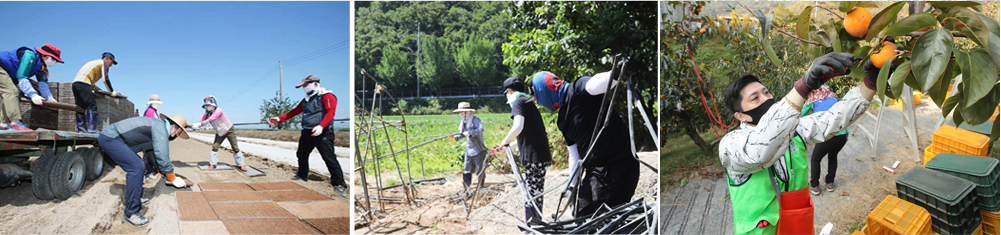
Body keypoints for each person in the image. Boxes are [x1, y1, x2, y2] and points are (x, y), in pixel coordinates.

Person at [718, 52, 885, 235]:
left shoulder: (795, 128)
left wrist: (870, 83)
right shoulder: (731, 145)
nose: (766, 99)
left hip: (797, 225)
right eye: (755, 98)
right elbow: (760, 151)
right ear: (740, 115)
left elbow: (836, 118)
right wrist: (802, 88)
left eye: (766, 92)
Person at [528, 64, 639, 219]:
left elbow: (595, 84)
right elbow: (574, 155)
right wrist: (572, 186)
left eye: (537, 99)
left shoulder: (577, 89)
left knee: (605, 220)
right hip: (596, 171)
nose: (539, 104)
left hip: (618, 166)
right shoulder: (563, 120)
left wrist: (614, 74)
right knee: (582, 215)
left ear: (543, 91)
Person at [98, 114, 190, 226]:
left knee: (138, 165)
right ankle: (131, 213)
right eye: (179, 133)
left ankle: (136, 198)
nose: (176, 136)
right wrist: (172, 177)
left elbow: (152, 153)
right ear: (176, 127)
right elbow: (162, 154)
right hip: (111, 138)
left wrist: (162, 171)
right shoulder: (160, 128)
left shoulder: (158, 127)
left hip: (118, 141)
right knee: (136, 168)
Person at [268, 75, 345, 196]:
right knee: (301, 154)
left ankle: (339, 184)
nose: (304, 88)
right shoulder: (306, 100)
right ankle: (302, 175)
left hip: (323, 132)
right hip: (307, 131)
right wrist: (279, 119)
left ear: (315, 84)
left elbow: (330, 113)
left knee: (329, 158)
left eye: (305, 85)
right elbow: (295, 111)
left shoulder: (327, 96)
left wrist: (321, 126)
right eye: (303, 86)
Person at [498, 77, 552, 224]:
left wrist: (505, 140)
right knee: (536, 193)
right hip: (539, 155)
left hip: (534, 158)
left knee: (531, 193)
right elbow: (526, 136)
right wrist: (508, 145)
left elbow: (518, 127)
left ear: (508, 91)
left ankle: (532, 226)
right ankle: (536, 224)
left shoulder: (518, 102)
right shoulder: (528, 102)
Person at [0, 44, 64, 130]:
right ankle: (15, 123)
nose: (54, 62)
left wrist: (50, 99)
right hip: (2, 67)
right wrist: (33, 95)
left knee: (12, 95)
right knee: (11, 91)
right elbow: (22, 77)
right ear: (44, 55)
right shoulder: (29, 56)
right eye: (53, 59)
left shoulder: (42, 68)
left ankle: (3, 124)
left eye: (56, 61)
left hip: (9, 73)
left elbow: (43, 84)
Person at [800, 85, 850, 195]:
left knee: (815, 159)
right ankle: (830, 183)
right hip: (843, 134)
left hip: (827, 135)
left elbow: (799, 115)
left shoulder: (812, 99)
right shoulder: (833, 96)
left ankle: (814, 186)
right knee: (833, 156)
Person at [191, 95, 246, 171]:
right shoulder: (207, 113)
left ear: (213, 104)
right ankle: (213, 164)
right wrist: (196, 125)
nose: (207, 107)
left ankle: (241, 164)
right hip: (219, 132)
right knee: (215, 147)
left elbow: (210, 119)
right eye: (206, 105)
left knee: (235, 147)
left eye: (208, 105)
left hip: (229, 130)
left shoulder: (218, 111)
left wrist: (200, 124)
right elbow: (202, 120)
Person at [72, 52, 119, 133]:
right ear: (107, 58)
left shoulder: (93, 63)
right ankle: (92, 129)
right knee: (92, 106)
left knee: (80, 107)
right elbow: (105, 79)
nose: (111, 65)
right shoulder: (103, 63)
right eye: (112, 62)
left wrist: (95, 89)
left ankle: (81, 130)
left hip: (76, 84)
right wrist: (112, 91)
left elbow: (90, 79)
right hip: (84, 83)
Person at [447, 101, 487, 196]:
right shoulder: (463, 122)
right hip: (469, 149)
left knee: (480, 169)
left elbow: (480, 130)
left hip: (478, 149)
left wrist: (470, 132)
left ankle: (481, 188)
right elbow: (462, 134)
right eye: (459, 112)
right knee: (467, 169)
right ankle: (466, 189)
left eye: (461, 112)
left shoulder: (475, 120)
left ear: (466, 112)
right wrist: (455, 136)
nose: (460, 114)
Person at [141, 94, 164, 180]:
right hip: (148, 135)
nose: (157, 105)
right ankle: (147, 172)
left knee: (149, 154)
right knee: (148, 155)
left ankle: (149, 171)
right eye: (156, 103)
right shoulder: (150, 111)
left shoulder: (153, 111)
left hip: (150, 135)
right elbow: (153, 124)